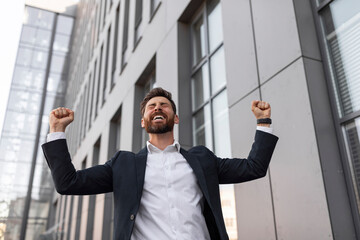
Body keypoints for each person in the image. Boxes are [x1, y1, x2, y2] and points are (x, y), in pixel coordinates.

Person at [42, 87, 278, 240]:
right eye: (151, 106)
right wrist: (57, 130)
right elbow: (67, 183)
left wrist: (263, 121)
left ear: (175, 118)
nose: (157, 107)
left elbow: (253, 167)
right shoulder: (123, 164)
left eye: (164, 105)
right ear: (143, 122)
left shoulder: (202, 159)